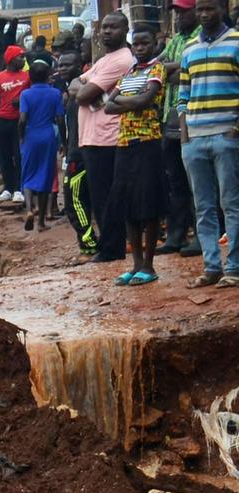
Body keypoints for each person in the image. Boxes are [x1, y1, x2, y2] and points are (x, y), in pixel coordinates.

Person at [180, 0, 239, 286]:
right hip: (194, 139)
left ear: (221, 9)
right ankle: (212, 266)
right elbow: (183, 94)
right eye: (200, 9)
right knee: (202, 207)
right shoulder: (189, 48)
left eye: (210, 9)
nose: (204, 14)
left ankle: (235, 267)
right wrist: (184, 134)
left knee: (231, 203)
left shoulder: (237, 42)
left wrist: (235, 130)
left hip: (227, 136)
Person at [106, 26, 170, 282]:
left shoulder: (157, 70)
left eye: (145, 44)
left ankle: (149, 265)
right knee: (128, 204)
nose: (141, 48)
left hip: (148, 142)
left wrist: (126, 101)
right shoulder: (130, 72)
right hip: (124, 143)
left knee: (149, 203)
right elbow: (108, 107)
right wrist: (131, 101)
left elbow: (144, 102)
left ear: (154, 44)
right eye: (137, 45)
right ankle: (135, 264)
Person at [73, 12, 135, 264]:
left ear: (125, 30)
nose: (107, 31)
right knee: (99, 196)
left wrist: (85, 91)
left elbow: (80, 93)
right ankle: (108, 246)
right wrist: (85, 90)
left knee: (107, 197)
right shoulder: (105, 59)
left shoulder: (121, 60)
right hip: (93, 138)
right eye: (104, 27)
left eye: (113, 27)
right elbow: (74, 84)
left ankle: (111, 249)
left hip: (106, 138)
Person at [162, 0, 203, 258]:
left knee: (197, 183)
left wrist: (176, 69)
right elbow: (160, 69)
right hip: (171, 117)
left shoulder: (202, 37)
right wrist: (175, 69)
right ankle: (176, 236)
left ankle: (201, 236)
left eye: (182, 11)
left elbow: (186, 72)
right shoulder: (176, 40)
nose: (178, 17)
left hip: (194, 116)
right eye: (176, 12)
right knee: (175, 181)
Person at [18, 56, 67, 230]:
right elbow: (60, 120)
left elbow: (22, 119)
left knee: (28, 173)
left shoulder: (26, 94)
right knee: (46, 175)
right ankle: (41, 223)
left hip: (31, 135)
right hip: (48, 135)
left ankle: (30, 209)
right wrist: (65, 142)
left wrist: (21, 136)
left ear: (29, 77)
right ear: (48, 75)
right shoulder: (55, 93)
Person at [0, 49, 32, 198]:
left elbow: (32, 95)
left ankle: (19, 189)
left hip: (20, 121)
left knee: (19, 155)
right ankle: (8, 187)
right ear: (11, 59)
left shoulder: (27, 77)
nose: (23, 60)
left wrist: (22, 101)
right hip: (3, 120)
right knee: (4, 155)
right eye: (21, 57)